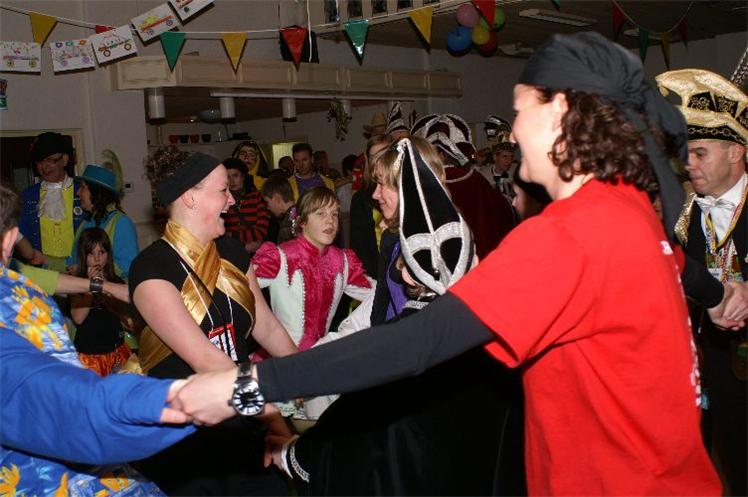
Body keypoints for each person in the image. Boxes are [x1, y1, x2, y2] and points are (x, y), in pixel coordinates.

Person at [174, 32, 726, 496]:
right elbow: (682, 266)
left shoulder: (571, 234)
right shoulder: (626, 207)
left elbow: (421, 340)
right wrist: (723, 297)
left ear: (559, 114)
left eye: (520, 112)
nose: (511, 132)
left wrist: (247, 384)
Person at [265, 137, 524, 495]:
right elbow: (377, 307)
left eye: (383, 184)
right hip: (399, 365)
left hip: (415, 378)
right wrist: (327, 349)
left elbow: (418, 326)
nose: (374, 195)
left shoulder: (436, 241)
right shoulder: (396, 238)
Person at [0, 183, 193, 496]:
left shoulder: (23, 285)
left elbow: (43, 277)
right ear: (10, 238)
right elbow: (73, 411)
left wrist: (108, 290)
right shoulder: (23, 302)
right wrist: (194, 400)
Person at [129, 149, 297, 495]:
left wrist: (313, 374)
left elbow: (266, 326)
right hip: (188, 438)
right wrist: (274, 421)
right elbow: (207, 360)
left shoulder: (232, 252)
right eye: (223, 190)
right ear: (190, 197)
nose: (232, 200)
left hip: (243, 418)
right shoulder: (151, 269)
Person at [657, 68, 748, 496]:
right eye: (685, 154)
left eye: (699, 153)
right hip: (719, 366)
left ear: (735, 152)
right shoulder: (683, 212)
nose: (688, 164)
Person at [253, 187, 373, 353]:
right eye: (321, 213)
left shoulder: (342, 261)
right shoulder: (280, 257)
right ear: (302, 221)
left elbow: (380, 295)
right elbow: (237, 289)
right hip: (281, 357)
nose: (330, 221)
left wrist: (349, 330)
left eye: (334, 214)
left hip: (319, 357)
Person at [412, 113, 515, 259]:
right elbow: (503, 210)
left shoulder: (428, 182)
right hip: (480, 257)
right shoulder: (474, 178)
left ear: (441, 155)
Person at [19, 132, 84, 272]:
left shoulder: (82, 191)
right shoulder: (28, 196)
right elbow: (21, 235)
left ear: (65, 160)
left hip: (78, 271)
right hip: (41, 272)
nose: (44, 166)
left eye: (50, 160)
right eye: (39, 161)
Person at [70, 228, 132, 376]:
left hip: (116, 352)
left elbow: (127, 322)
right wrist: (92, 286)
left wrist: (107, 289)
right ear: (83, 256)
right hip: (90, 356)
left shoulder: (116, 282)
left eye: (101, 252)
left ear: (108, 254)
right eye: (91, 254)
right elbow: (78, 318)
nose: (97, 259)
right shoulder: (76, 283)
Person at [69, 164, 139, 280]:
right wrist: (45, 259)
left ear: (95, 192)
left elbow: (128, 266)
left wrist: (86, 270)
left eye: (83, 187)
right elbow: (71, 261)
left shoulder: (121, 223)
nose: (78, 193)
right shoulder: (85, 223)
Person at [349, 136, 389, 277]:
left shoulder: (404, 191)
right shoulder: (360, 199)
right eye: (374, 157)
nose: (379, 161)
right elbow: (359, 247)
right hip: (376, 274)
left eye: (384, 154)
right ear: (367, 160)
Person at [222, 157, 270, 253]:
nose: (231, 181)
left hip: (257, 254)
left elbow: (262, 231)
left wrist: (232, 235)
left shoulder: (257, 197)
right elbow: (221, 235)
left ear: (243, 176)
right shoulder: (221, 200)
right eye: (228, 177)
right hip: (231, 253)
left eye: (235, 176)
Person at [479, 115, 518, 200]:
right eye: (505, 156)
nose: (509, 161)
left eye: (511, 157)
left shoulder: (517, 172)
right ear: (495, 157)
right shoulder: (483, 175)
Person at [261, 175, 298, 244]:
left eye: (267, 202)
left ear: (277, 198)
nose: (267, 207)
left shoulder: (287, 224)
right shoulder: (300, 212)